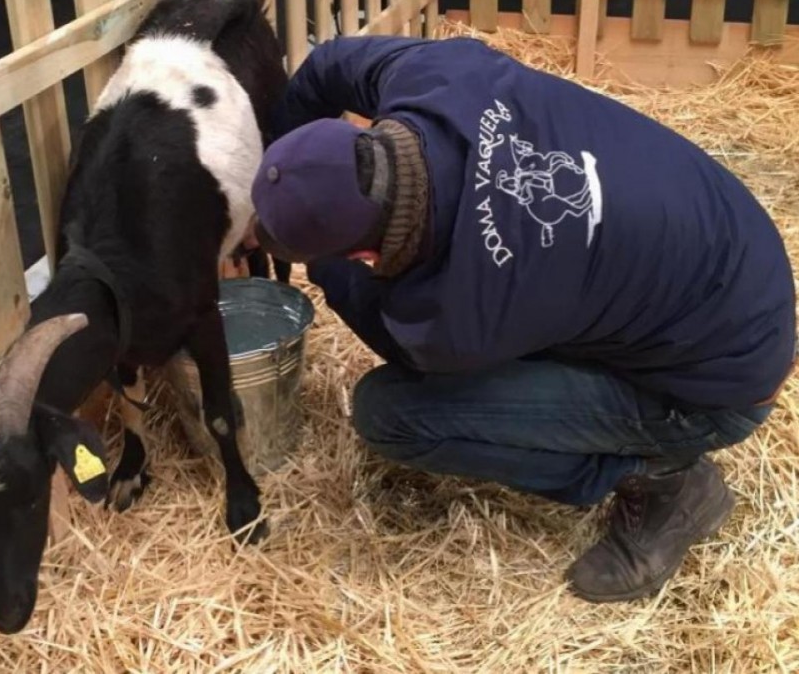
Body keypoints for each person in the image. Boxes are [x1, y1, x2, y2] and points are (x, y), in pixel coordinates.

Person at [242, 35, 796, 602]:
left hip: (724, 388)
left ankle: (666, 481)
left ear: (362, 254)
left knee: (390, 415)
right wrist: (288, 171)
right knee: (566, 301)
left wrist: (320, 264)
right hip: (740, 251)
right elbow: (328, 64)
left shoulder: (454, 314)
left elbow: (389, 330)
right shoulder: (438, 73)